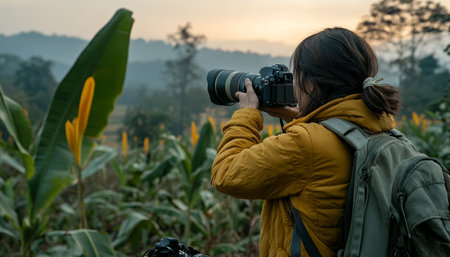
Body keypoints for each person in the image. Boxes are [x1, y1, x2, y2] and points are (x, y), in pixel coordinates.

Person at [210, 27, 401, 257]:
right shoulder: (379, 126)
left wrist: (247, 115)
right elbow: (333, 140)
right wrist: (296, 115)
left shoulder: (306, 144)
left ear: (311, 84)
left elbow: (226, 174)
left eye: (297, 75)